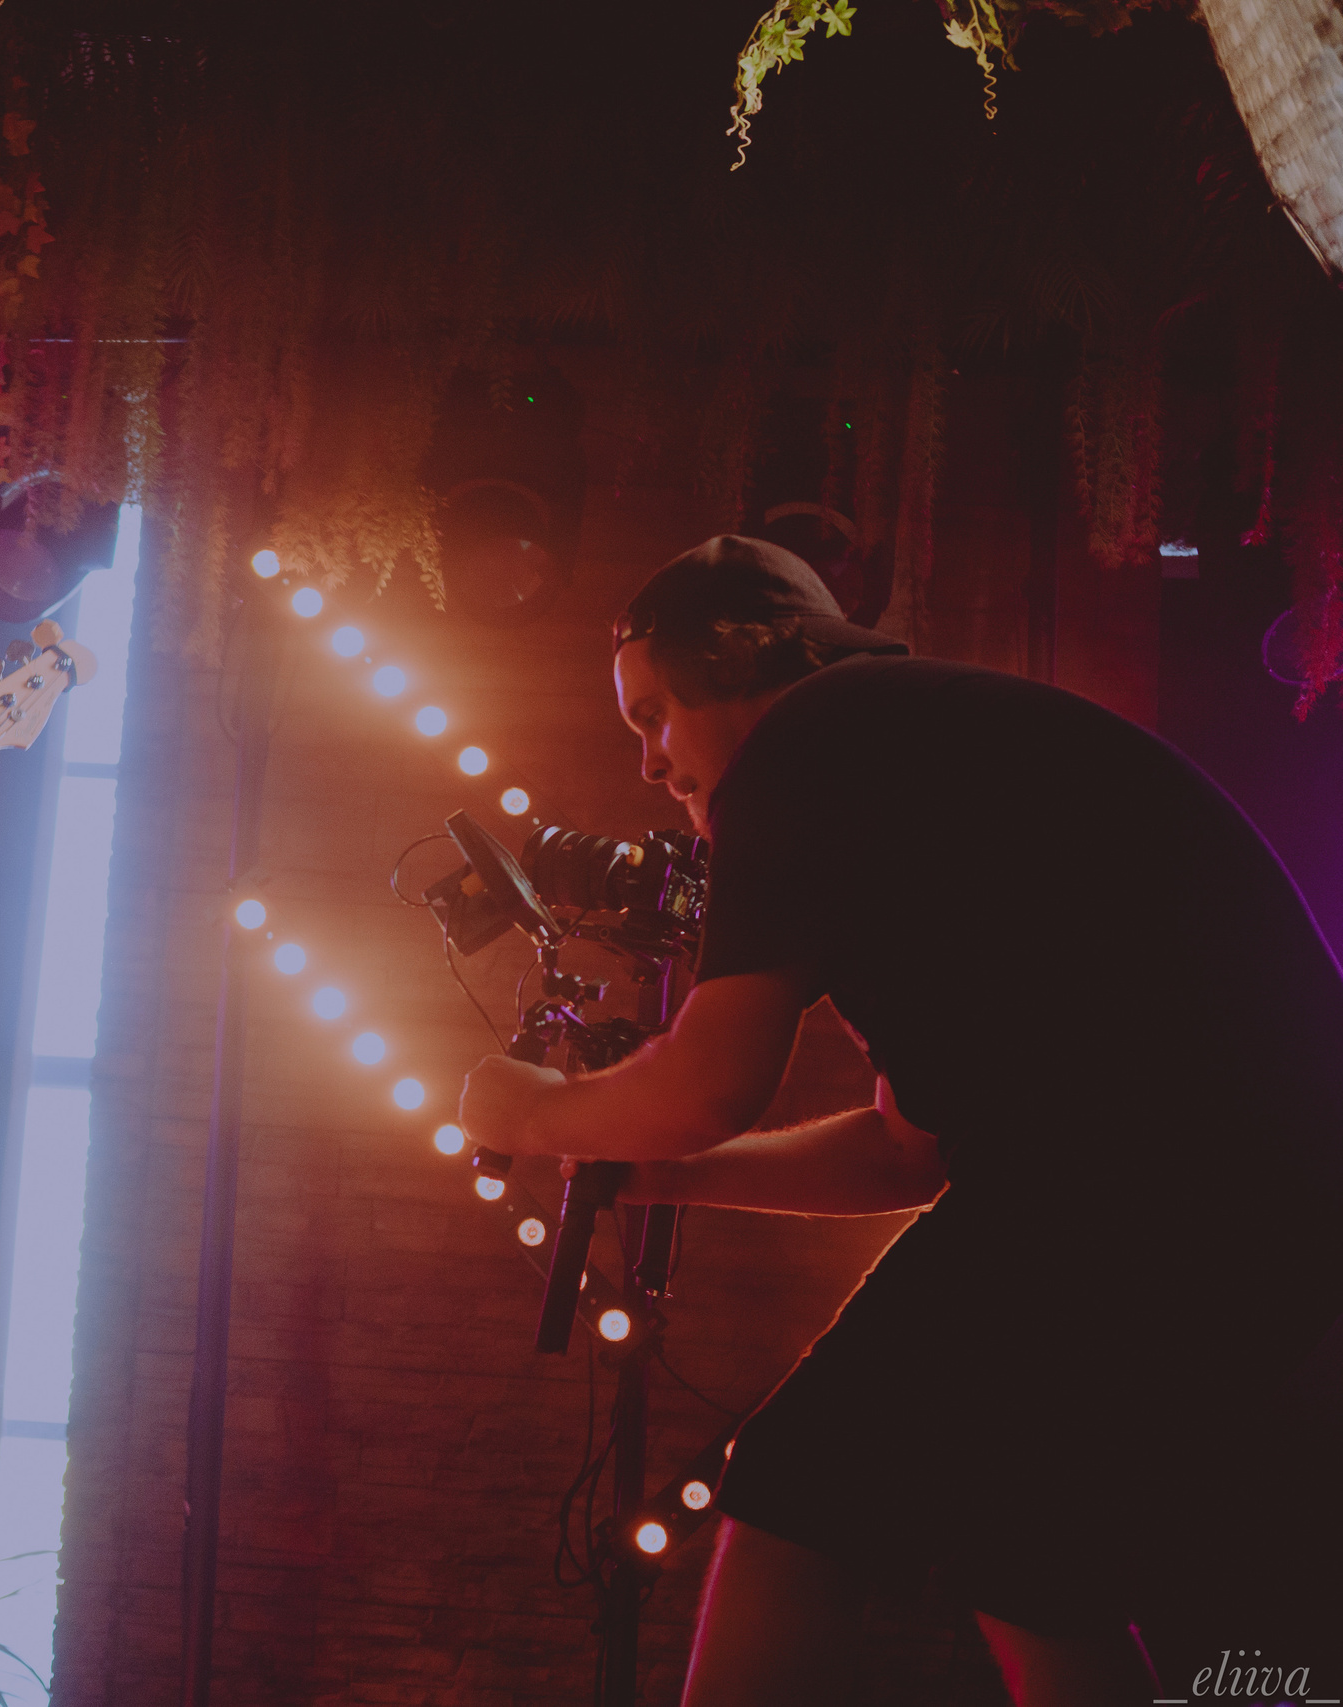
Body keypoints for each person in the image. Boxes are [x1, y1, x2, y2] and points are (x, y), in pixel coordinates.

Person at [459, 536, 1343, 1706]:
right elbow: (903, 1152)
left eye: (655, 713)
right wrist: (653, 1173)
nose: (649, 763)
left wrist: (534, 1108)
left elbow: (711, 1082)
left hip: (1138, 1184)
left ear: (740, 665)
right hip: (1254, 1200)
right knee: (1032, 1568)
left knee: (794, 1493)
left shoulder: (802, 745)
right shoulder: (903, 777)